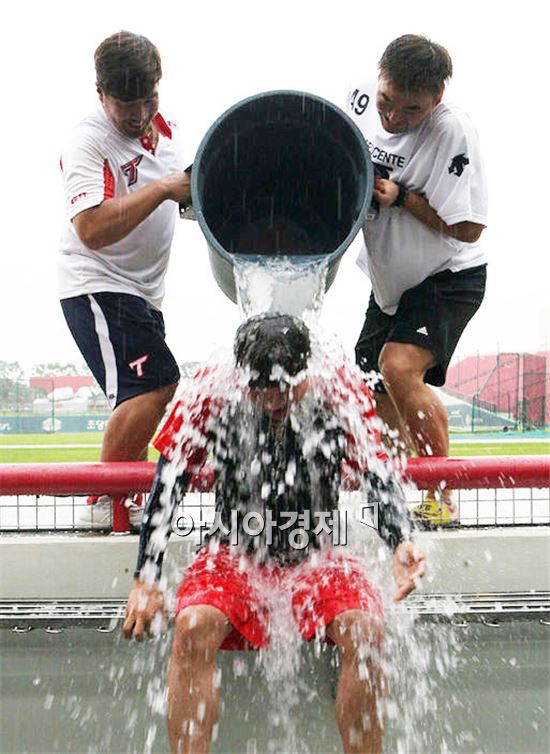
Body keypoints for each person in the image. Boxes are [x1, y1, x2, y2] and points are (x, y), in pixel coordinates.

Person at [123, 313, 426, 754]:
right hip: (233, 551)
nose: (270, 404)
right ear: (240, 375)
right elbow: (169, 482)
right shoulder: (210, 389)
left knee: (365, 629)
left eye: (284, 393)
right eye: (258, 393)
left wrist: (400, 539)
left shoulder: (339, 387)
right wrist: (145, 579)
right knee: (191, 626)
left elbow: (377, 474)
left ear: (307, 371)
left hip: (319, 551)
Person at [347, 34, 488, 528]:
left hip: (449, 275)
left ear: (437, 100)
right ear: (378, 78)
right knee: (373, 391)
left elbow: (469, 228)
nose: (392, 117)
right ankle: (396, 490)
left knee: (399, 366)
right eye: (388, 101)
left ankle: (441, 495)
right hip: (388, 283)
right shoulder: (359, 99)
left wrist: (403, 198)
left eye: (411, 109)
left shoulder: (454, 133)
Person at [58, 31, 192, 529]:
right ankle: (101, 501)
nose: (137, 114)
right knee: (155, 383)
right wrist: (161, 189)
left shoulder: (167, 129)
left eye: (147, 99)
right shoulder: (87, 141)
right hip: (97, 281)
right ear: (100, 95)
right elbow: (90, 228)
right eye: (124, 104)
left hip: (143, 293)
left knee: (141, 393)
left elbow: (185, 197)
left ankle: (122, 499)